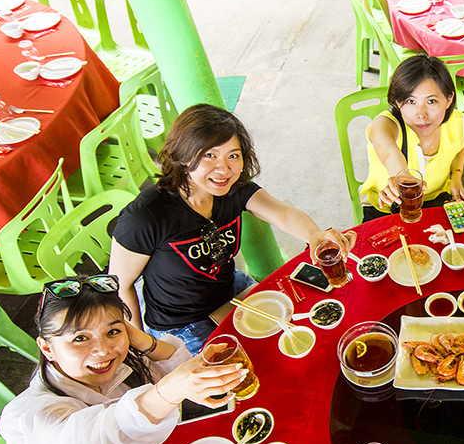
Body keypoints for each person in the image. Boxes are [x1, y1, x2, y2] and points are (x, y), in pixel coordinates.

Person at [109, 105, 354, 354]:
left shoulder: (233, 188)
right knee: (240, 373)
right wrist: (141, 348)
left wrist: (315, 235)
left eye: (233, 156)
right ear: (183, 156)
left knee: (307, 330)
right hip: (181, 323)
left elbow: (284, 213)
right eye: (209, 156)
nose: (224, 170)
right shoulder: (145, 216)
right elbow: (120, 286)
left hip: (229, 289)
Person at [0, 274, 250, 444]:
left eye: (112, 332)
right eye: (80, 338)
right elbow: (93, 442)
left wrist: (145, 342)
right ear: (47, 348)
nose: (103, 350)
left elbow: (182, 371)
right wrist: (168, 392)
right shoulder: (28, 415)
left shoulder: (120, 364)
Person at [358, 54, 464, 221]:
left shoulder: (457, 122)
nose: (421, 114)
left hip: (435, 200)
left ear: (448, 99)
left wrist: (456, 176)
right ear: (397, 101)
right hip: (386, 207)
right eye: (410, 101)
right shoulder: (385, 125)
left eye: (431, 101)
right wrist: (402, 177)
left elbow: (460, 148)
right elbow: (388, 151)